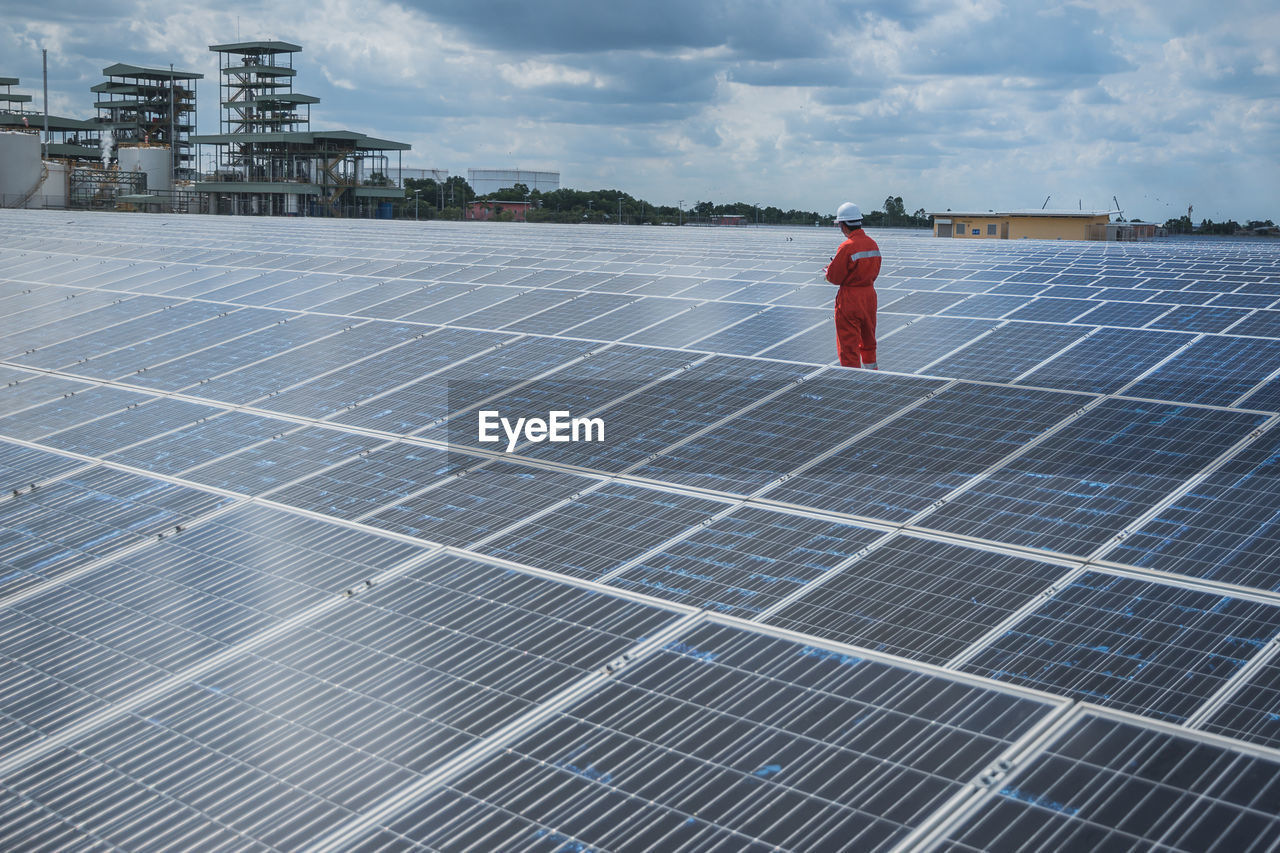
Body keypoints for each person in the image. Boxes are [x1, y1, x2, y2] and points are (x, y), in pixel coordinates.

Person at [824, 201, 880, 369]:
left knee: (849, 345)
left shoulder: (847, 247)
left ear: (843, 224)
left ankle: (852, 382)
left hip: (850, 299)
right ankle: (874, 375)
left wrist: (828, 270)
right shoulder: (873, 244)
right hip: (869, 297)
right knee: (868, 340)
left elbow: (834, 278)